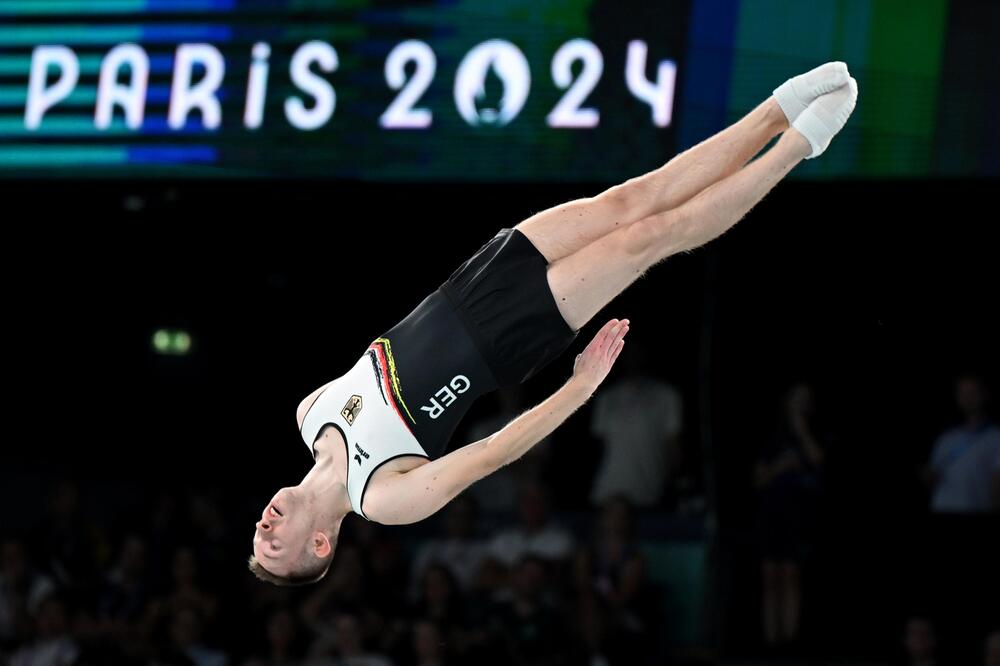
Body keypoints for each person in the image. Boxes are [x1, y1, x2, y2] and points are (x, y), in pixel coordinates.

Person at [249, 63, 860, 585]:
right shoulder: (382, 499)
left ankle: (776, 110)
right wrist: (579, 389)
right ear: (321, 545)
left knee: (629, 200)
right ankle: (795, 148)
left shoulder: (309, 412)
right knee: (649, 237)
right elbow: (492, 452)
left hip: (470, 283)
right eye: (273, 545)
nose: (264, 526)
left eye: (259, 533)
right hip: (503, 340)